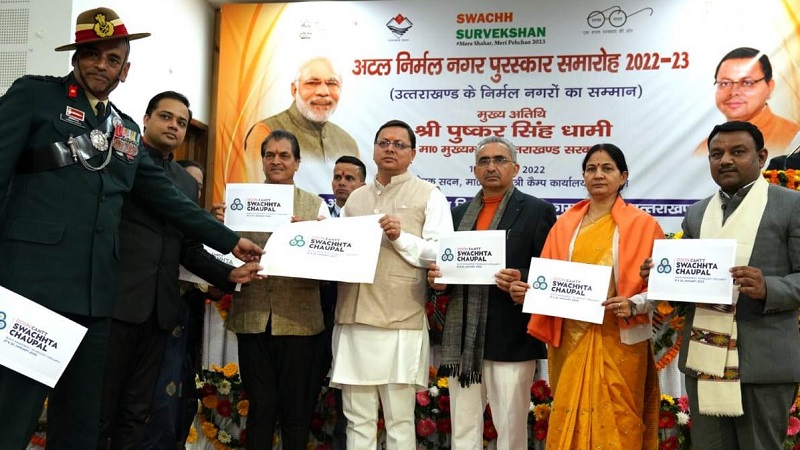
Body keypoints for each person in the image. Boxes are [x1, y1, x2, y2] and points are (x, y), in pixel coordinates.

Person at [0, 7, 262, 449]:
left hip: (96, 297)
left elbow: (169, 199)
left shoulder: (124, 130)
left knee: (81, 425)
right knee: (11, 415)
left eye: (112, 59)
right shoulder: (35, 96)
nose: (101, 65)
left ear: (125, 70)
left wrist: (230, 240)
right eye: (92, 54)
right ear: (75, 57)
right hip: (33, 288)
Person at [98, 91, 262, 449]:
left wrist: (227, 274)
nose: (174, 126)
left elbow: (187, 248)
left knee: (137, 412)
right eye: (165, 117)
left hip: (159, 312)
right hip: (115, 304)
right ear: (146, 119)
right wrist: (229, 241)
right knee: (99, 410)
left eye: (182, 122)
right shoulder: (121, 161)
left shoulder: (186, 182)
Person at [644, 121, 800, 449]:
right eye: (716, 154)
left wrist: (768, 287)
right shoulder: (698, 213)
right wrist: (661, 276)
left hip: (763, 363)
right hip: (704, 363)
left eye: (737, 152)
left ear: (761, 157)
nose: (725, 160)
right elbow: (688, 284)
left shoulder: (791, 205)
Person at [512, 144, 662, 449]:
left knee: (620, 418)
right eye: (591, 169)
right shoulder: (565, 225)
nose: (598, 175)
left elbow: (662, 285)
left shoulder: (643, 225)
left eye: (607, 168)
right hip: (570, 337)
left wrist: (634, 304)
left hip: (620, 338)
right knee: (570, 414)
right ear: (583, 176)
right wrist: (528, 293)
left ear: (623, 177)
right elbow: (550, 282)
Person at [330, 119, 454, 450]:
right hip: (353, 320)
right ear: (373, 150)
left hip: (401, 321)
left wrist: (402, 238)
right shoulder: (355, 199)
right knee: (357, 418)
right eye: (383, 142)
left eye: (399, 144)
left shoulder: (429, 195)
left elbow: (443, 253)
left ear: (413, 154)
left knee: (399, 419)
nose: (390, 149)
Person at [426, 136, 556, 450]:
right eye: (484, 161)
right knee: (463, 429)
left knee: (510, 430)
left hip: (512, 337)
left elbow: (551, 269)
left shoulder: (537, 211)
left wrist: (521, 276)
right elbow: (450, 268)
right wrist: (439, 280)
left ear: (516, 169)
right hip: (463, 343)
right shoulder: (457, 215)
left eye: (500, 160)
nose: (491, 167)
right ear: (474, 170)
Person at [223, 129, 330, 450]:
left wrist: (310, 238)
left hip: (299, 323)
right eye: (269, 155)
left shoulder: (317, 208)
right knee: (261, 407)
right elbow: (223, 256)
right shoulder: (240, 202)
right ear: (262, 161)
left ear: (297, 163)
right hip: (252, 318)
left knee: (296, 411)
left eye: (284, 155)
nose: (276, 161)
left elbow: (330, 267)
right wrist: (219, 225)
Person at [309, 155, 367, 450]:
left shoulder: (369, 221)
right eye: (337, 177)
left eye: (349, 178)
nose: (341, 183)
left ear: (363, 185)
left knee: (350, 396)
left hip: (354, 314)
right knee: (307, 388)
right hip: (317, 313)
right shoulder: (317, 215)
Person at [244, 56, 360, 165]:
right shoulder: (264, 133)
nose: (323, 92)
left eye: (332, 84)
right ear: (294, 90)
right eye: (312, 83)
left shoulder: (348, 144)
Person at [694, 47, 800, 157]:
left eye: (747, 83)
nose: (734, 92)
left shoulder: (794, 140)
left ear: (770, 87)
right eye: (725, 83)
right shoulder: (705, 147)